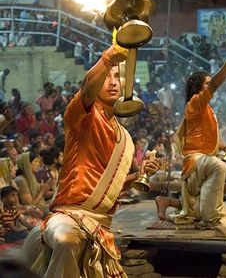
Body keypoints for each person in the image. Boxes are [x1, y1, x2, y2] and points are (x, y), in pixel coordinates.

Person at [22, 41, 161, 278]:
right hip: (68, 215)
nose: (113, 81)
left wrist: (140, 174)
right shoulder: (82, 114)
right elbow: (87, 88)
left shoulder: (124, 137)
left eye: (118, 76)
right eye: (107, 75)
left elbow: (110, 188)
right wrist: (110, 55)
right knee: (66, 239)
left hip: (101, 226)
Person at [156, 50, 226, 227]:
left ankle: (167, 201)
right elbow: (215, 86)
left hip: (203, 158)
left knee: (198, 209)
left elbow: (205, 135)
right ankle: (212, 216)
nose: (210, 87)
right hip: (195, 159)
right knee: (219, 166)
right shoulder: (196, 102)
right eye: (207, 84)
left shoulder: (206, 108)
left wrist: (224, 146)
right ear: (199, 88)